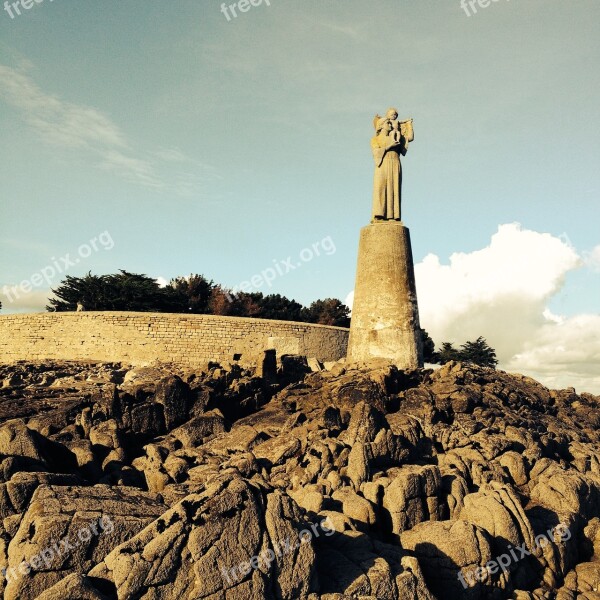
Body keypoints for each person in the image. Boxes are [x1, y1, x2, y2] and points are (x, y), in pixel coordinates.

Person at [371, 117, 403, 221]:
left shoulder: (394, 136)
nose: (390, 125)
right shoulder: (375, 139)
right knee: (380, 187)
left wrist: (409, 126)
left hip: (394, 162)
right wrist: (389, 146)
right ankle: (379, 214)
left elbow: (408, 141)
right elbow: (376, 152)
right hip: (382, 163)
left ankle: (392, 215)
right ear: (381, 126)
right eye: (388, 123)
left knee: (393, 188)